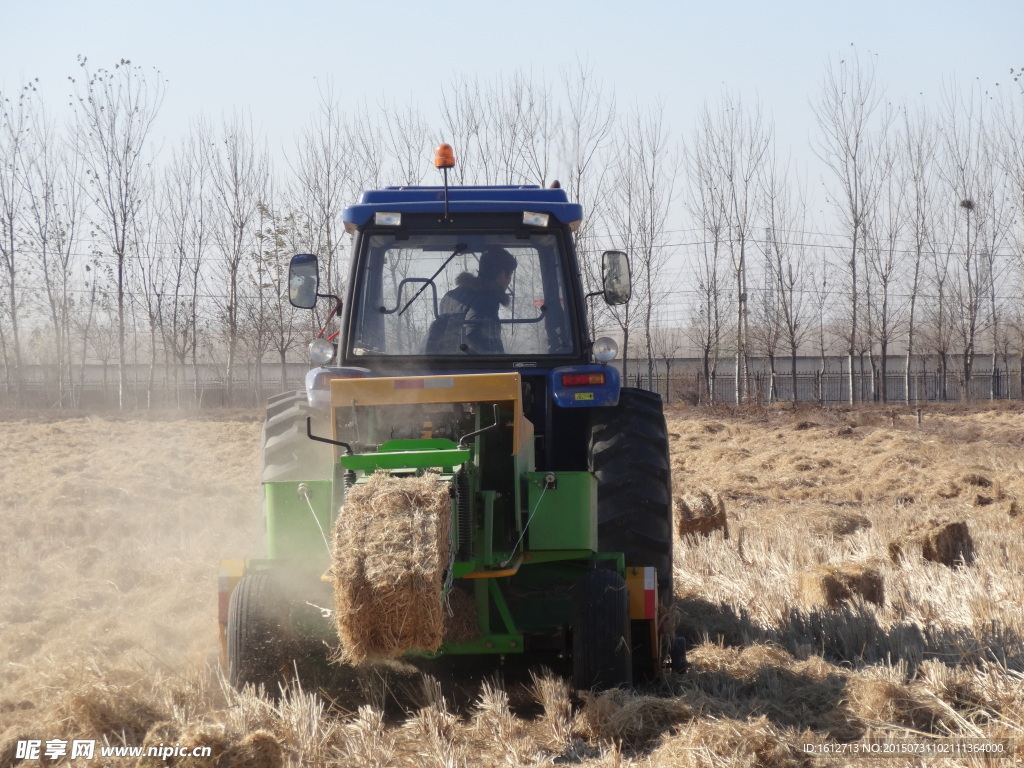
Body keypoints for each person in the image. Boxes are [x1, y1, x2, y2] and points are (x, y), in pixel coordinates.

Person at [425, 248, 517, 354]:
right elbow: (477, 335)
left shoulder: (449, 296)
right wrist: (500, 360)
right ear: (501, 274)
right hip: (473, 365)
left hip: (446, 364)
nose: (508, 280)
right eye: (509, 275)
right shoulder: (487, 299)